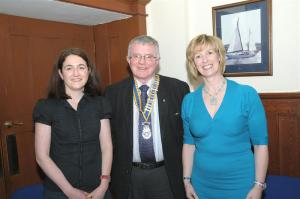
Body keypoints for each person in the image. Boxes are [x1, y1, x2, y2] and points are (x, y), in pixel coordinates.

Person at [182, 34, 269, 199]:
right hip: (201, 186)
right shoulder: (189, 101)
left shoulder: (246, 94)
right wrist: (186, 181)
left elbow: (260, 145)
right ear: (193, 63)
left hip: (241, 184)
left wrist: (258, 185)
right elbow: (189, 145)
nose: (204, 60)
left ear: (220, 56)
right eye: (198, 56)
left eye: (209, 53)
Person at [104, 35, 189, 199]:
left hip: (166, 174)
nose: (142, 62)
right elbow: (108, 139)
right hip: (127, 176)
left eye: (149, 56)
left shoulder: (179, 89)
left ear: (157, 60)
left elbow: (187, 136)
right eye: (136, 56)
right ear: (128, 60)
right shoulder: (112, 93)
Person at [33, 48, 112, 199]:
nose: (76, 73)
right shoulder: (45, 107)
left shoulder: (101, 103)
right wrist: (69, 191)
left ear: (88, 71)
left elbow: (106, 146)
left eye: (81, 67)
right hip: (59, 191)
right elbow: (42, 156)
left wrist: (104, 184)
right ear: (61, 74)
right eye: (69, 68)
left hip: (98, 189)